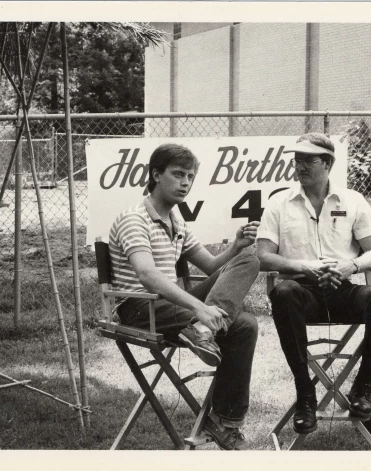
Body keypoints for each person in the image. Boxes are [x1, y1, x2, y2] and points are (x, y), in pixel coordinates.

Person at [109, 143, 260, 450]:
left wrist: (235, 246)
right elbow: (147, 276)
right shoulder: (134, 218)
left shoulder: (177, 222)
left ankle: (225, 421)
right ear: (155, 174)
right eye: (178, 174)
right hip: (139, 307)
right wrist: (198, 306)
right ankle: (202, 326)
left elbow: (211, 265)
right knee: (241, 322)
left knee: (249, 261)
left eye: (190, 177)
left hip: (168, 305)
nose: (185, 183)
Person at [256, 132, 371, 434]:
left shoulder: (353, 200)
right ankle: (305, 394)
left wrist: (353, 265)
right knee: (283, 292)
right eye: (297, 160)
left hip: (343, 290)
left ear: (328, 163)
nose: (300, 166)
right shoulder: (279, 203)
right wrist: (303, 267)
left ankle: (362, 386)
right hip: (300, 294)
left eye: (309, 160)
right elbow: (264, 258)